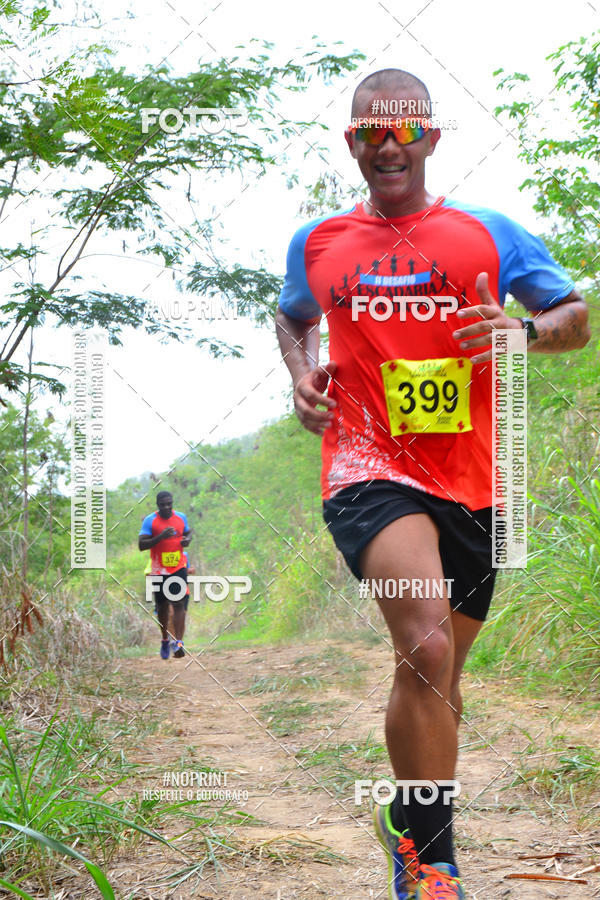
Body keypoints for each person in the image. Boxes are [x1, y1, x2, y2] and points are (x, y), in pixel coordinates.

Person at [275, 68, 590, 900]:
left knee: (442, 676)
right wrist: (305, 374)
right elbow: (294, 313)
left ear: (431, 138)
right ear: (352, 144)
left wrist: (521, 333)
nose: (387, 143)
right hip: (368, 467)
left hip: (474, 482)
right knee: (426, 644)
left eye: (403, 129)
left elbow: (575, 319)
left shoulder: (488, 235)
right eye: (368, 132)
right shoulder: (320, 241)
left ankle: (406, 822)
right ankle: (433, 864)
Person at [139, 491, 192, 659]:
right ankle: (164, 639)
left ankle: (179, 643)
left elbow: (188, 532)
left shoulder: (181, 517)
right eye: (163, 504)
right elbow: (141, 545)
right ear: (158, 505)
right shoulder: (150, 521)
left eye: (169, 503)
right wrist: (160, 537)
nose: (167, 507)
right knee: (162, 607)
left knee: (179, 604)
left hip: (178, 567)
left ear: (172, 502)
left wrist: (187, 540)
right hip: (158, 569)